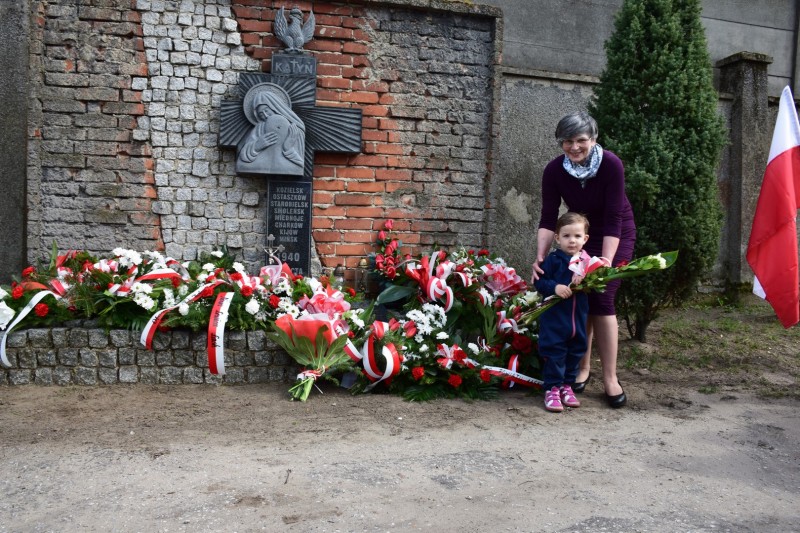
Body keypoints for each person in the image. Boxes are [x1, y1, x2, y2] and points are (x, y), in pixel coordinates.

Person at [531, 111, 636, 408]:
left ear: (593, 138)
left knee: (603, 297)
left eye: (580, 140)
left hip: (615, 233)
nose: (574, 147)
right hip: (578, 234)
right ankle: (582, 368)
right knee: (578, 294)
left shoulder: (611, 164)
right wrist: (540, 256)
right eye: (567, 141)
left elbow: (614, 217)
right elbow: (548, 216)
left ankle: (611, 378)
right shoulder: (554, 170)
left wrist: (604, 262)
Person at [533, 212, 591, 412]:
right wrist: (555, 287)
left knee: (576, 352)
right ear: (557, 238)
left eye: (577, 236)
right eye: (566, 236)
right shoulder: (553, 260)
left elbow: (597, 286)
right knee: (555, 353)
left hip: (578, 321)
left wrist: (586, 281)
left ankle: (567, 386)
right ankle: (552, 389)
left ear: (585, 239)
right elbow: (539, 282)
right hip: (555, 321)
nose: (572, 240)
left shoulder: (587, 263)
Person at [238, 88, 305, 176]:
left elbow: (300, 164)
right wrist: (257, 146)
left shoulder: (295, 128)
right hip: (260, 166)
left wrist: (288, 149)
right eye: (261, 114)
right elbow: (243, 158)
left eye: (266, 110)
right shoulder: (259, 128)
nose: (265, 116)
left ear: (275, 107)